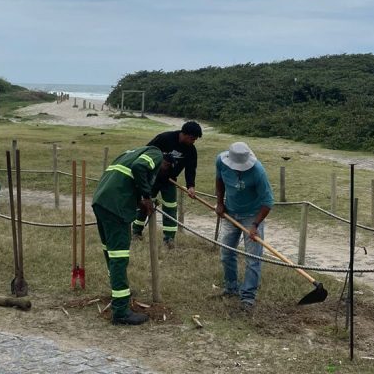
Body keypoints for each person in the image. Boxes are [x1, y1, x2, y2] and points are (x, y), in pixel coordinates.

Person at [93, 146, 173, 325]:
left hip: (101, 201)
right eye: (164, 170)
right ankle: (121, 311)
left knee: (111, 254)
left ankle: (118, 292)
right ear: (165, 164)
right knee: (119, 257)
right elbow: (139, 168)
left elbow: (127, 178)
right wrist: (146, 196)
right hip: (116, 207)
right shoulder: (156, 154)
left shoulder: (128, 153)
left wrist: (139, 199)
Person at [214, 142, 274, 313]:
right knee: (226, 253)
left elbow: (268, 202)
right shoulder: (220, 161)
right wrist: (219, 203)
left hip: (252, 216)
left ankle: (248, 296)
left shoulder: (258, 172)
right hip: (231, 213)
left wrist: (255, 225)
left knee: (252, 258)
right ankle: (231, 287)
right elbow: (219, 181)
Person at [131, 121, 202, 249]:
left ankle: (169, 239)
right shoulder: (164, 138)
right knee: (145, 204)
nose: (193, 141)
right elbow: (146, 152)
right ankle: (136, 232)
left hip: (170, 181)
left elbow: (191, 169)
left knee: (170, 207)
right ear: (184, 134)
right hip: (152, 179)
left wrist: (191, 186)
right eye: (192, 138)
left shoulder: (191, 150)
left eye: (195, 139)